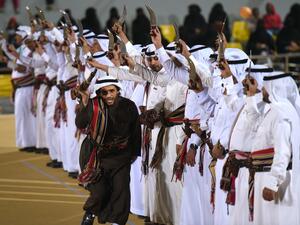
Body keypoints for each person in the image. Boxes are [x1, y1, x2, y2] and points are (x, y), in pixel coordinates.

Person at [75, 75, 141, 225]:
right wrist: (85, 102)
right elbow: (80, 123)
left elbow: (135, 131)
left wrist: (134, 154)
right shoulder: (94, 105)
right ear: (99, 93)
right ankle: (90, 213)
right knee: (99, 191)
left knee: (121, 190)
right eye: (104, 93)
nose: (109, 95)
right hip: (96, 155)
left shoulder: (129, 106)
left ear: (118, 90)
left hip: (121, 156)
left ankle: (117, 222)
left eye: (112, 91)